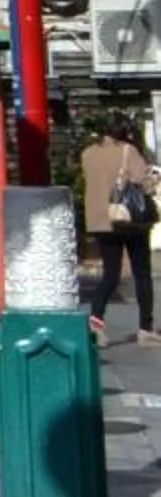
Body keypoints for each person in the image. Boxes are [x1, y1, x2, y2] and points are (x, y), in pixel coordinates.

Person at [80, 120, 159, 344]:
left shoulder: (87, 154)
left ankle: (96, 324)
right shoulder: (129, 151)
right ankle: (146, 329)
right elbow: (143, 183)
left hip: (101, 221)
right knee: (141, 273)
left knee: (110, 274)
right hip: (129, 221)